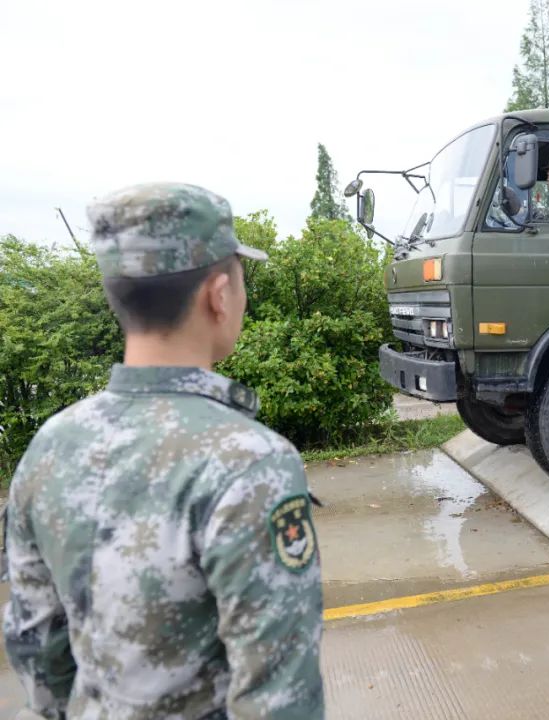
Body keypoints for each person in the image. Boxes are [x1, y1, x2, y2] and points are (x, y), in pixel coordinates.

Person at [0, 183, 324, 719]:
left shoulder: (50, 446)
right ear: (218, 295)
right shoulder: (250, 462)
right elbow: (278, 696)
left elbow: (37, 647)